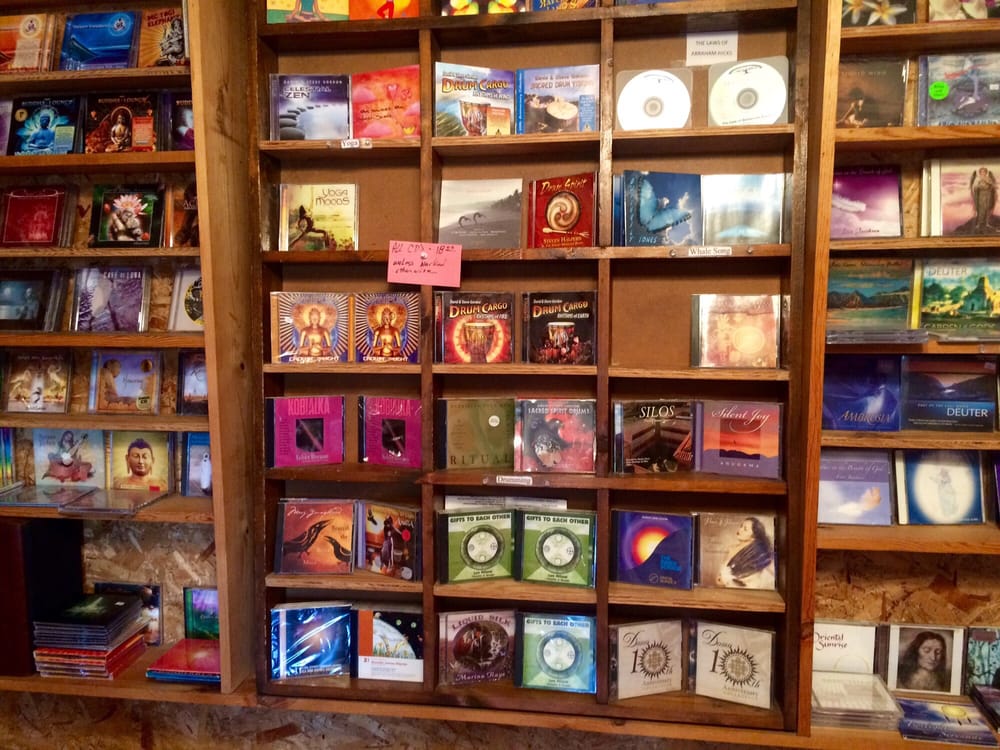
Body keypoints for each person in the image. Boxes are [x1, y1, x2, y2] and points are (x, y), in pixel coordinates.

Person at [716, 516, 776, 589]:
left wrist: (727, 580)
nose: (740, 530)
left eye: (745, 529)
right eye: (741, 526)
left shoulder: (758, 554)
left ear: (753, 537)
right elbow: (721, 575)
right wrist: (722, 579)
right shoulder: (731, 548)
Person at [970, 166, 997, 233]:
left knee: (987, 209)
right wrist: (979, 186)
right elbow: (975, 187)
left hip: (988, 195)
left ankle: (986, 223)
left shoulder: (988, 178)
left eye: (984, 172)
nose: (983, 173)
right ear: (980, 172)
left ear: (986, 172)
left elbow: (993, 186)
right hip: (981, 196)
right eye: (981, 172)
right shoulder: (978, 179)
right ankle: (979, 224)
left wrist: (987, 182)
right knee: (981, 210)